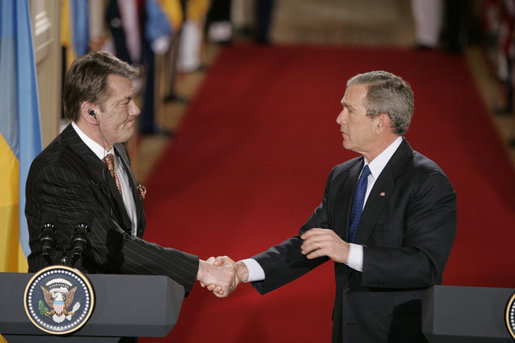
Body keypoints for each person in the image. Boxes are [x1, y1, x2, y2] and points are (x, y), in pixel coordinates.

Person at [211, 71, 457, 343]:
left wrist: (348, 251)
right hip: (346, 331)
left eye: (349, 110)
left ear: (381, 122)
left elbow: (425, 265)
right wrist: (242, 270)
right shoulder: (343, 176)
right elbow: (309, 244)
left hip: (397, 334)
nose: (339, 118)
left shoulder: (428, 182)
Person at [25, 51, 236, 300]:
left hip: (118, 307)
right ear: (91, 112)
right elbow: (109, 245)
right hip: (74, 320)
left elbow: (129, 232)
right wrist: (201, 270)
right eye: (125, 102)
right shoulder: (57, 171)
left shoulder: (116, 151)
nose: (136, 110)